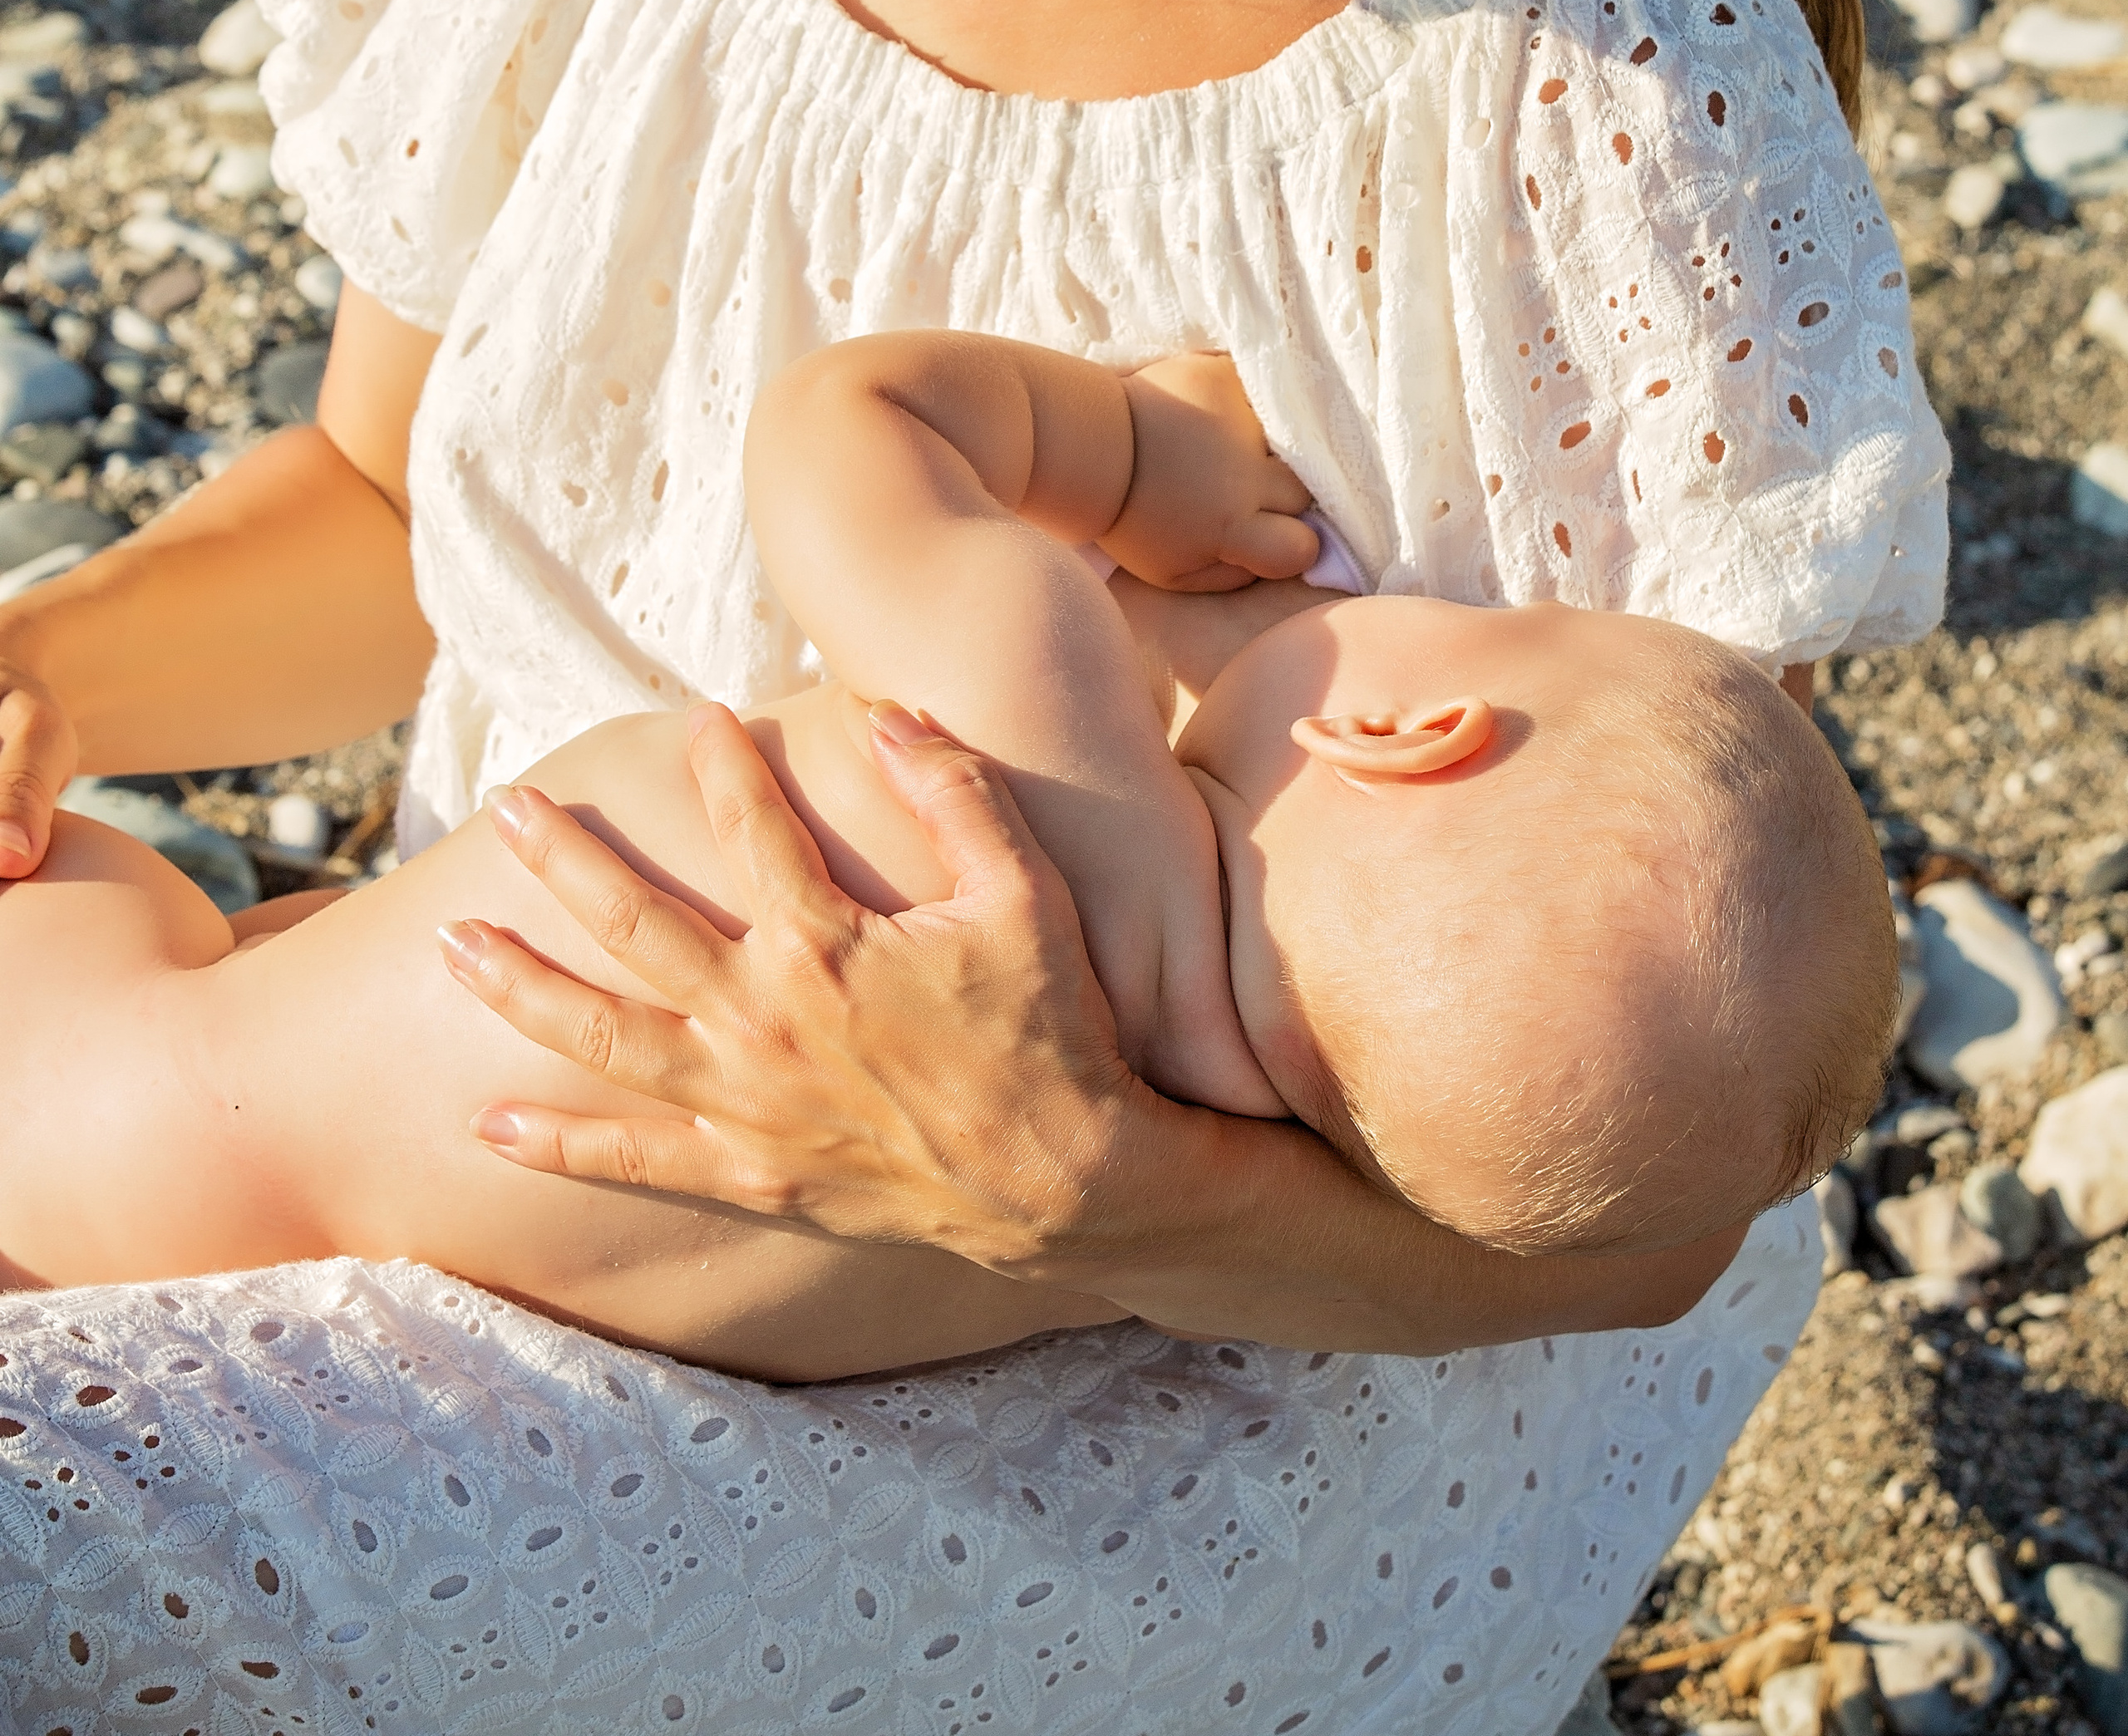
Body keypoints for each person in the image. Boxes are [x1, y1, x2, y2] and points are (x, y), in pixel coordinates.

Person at [0, 0, 1947, 1734]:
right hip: (534, 1133)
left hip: (1220, 1360)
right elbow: (396, 512)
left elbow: (1636, 1180)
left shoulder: (1587, 88)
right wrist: (51, 673)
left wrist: (1086, 1192)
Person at [0, 334, 1898, 1361]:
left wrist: (1133, 470)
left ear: (1406, 731)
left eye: (1509, 617)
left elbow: (850, 429)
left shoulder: (1025, 755)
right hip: (294, 1330)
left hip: (92, 1073)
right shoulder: (1146, 1207)